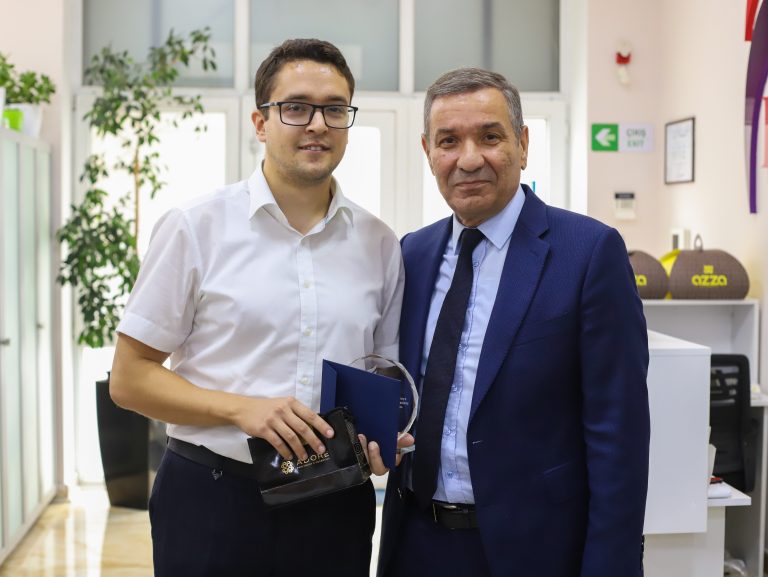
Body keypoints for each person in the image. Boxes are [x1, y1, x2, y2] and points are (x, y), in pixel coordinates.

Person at [110, 38, 404, 577]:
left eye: (334, 109)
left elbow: (380, 373)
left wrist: (385, 437)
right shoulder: (195, 228)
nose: (317, 124)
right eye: (296, 107)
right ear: (261, 122)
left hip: (335, 501)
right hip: (212, 497)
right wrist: (239, 408)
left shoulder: (379, 243)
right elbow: (129, 379)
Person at [375, 68, 650, 577]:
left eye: (490, 137)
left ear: (522, 145)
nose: (469, 159)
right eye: (448, 141)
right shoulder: (413, 252)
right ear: (428, 152)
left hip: (536, 549)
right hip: (416, 542)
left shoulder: (589, 253)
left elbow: (619, 437)